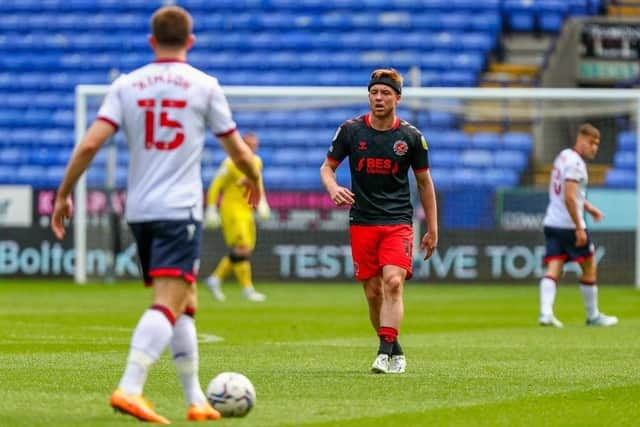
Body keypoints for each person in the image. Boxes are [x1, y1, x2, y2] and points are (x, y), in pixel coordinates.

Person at [50, 6, 262, 423]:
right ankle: (130, 388)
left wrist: (63, 194)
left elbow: (90, 145)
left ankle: (196, 399)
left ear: (152, 41)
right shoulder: (203, 85)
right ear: (191, 41)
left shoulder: (127, 85)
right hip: (178, 210)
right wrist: (255, 175)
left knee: (185, 299)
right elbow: (239, 152)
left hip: (141, 210)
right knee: (168, 301)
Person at [319, 68, 438, 374]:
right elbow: (326, 168)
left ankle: (384, 353)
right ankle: (392, 347)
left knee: (394, 283)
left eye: (385, 93)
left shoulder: (411, 137)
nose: (379, 98)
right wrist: (333, 188)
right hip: (362, 221)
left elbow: (425, 183)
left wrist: (433, 229)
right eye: (374, 92)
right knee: (373, 292)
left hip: (398, 220)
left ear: (398, 98)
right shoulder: (350, 131)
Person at [539, 123, 618, 328]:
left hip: (552, 221)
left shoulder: (563, 156)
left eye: (597, 144)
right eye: (592, 143)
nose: (594, 148)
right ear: (581, 140)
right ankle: (593, 315)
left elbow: (573, 195)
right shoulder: (575, 164)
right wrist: (579, 227)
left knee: (554, 266)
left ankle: (546, 313)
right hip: (568, 225)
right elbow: (569, 197)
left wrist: (589, 208)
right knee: (589, 265)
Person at [204, 131, 271, 302]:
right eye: (250, 145)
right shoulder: (230, 163)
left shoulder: (257, 162)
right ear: (242, 145)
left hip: (246, 210)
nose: (253, 148)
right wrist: (211, 208)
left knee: (245, 249)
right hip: (232, 210)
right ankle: (246, 289)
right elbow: (215, 186)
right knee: (242, 248)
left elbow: (257, 182)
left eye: (255, 146)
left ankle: (216, 279)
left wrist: (262, 201)